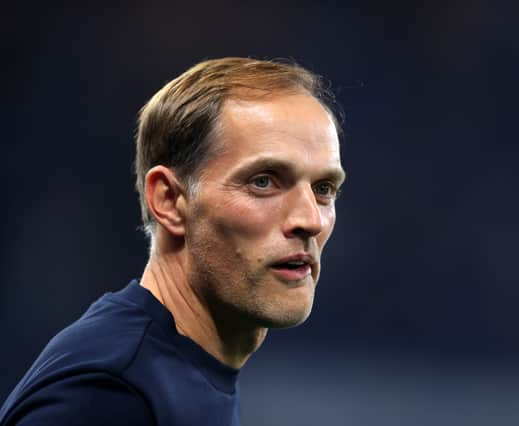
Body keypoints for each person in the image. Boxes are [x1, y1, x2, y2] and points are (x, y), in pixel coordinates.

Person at [0, 57, 346, 426]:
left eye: (324, 189)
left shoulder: (184, 368)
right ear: (168, 200)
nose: (310, 220)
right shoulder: (107, 396)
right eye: (263, 181)